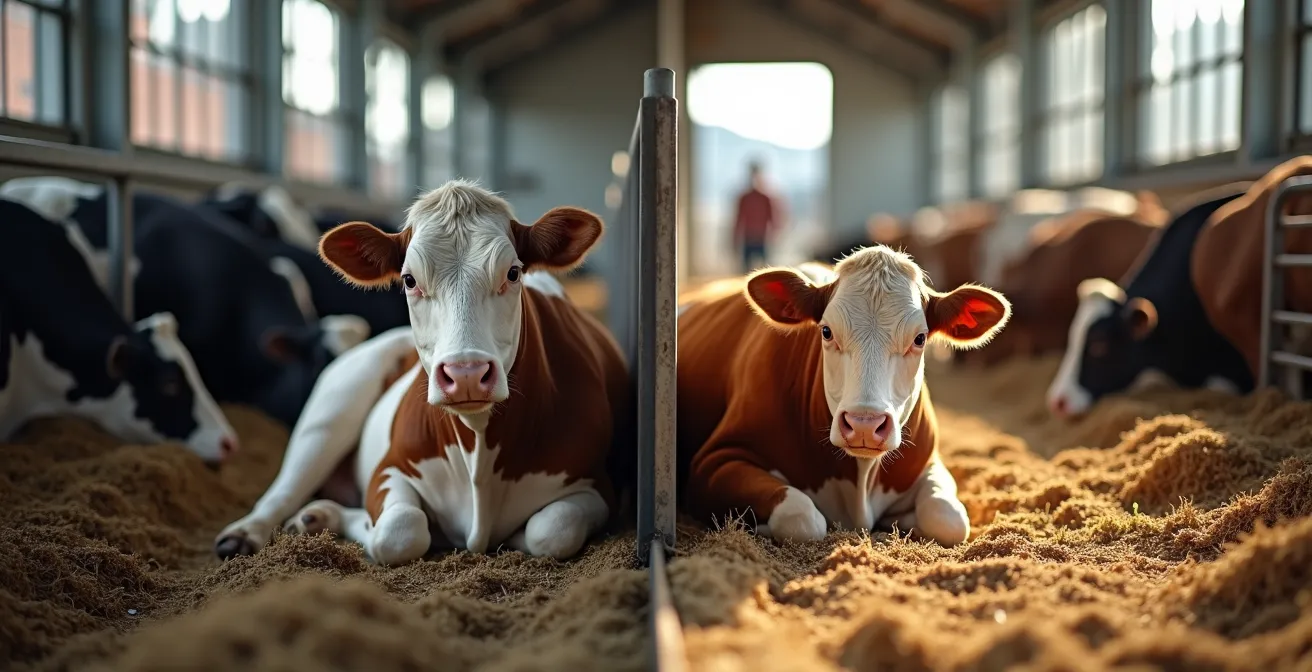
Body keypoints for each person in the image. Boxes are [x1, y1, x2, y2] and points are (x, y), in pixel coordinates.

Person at [732, 161, 779, 272]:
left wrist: (774, 235)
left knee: (764, 271)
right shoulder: (744, 198)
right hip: (748, 237)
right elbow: (739, 219)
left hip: (761, 238)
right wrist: (734, 238)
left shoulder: (765, 198)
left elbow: (772, 219)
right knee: (745, 270)